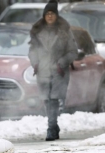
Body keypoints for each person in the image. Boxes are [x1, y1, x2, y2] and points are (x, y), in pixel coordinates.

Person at [28, 0, 78, 141]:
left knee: (53, 99)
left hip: (59, 71)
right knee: (46, 99)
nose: (49, 16)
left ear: (56, 15)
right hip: (43, 70)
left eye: (52, 14)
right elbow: (32, 51)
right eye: (47, 14)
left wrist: (61, 62)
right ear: (44, 16)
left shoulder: (64, 31)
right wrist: (35, 62)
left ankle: (51, 128)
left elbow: (73, 51)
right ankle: (54, 126)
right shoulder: (37, 31)